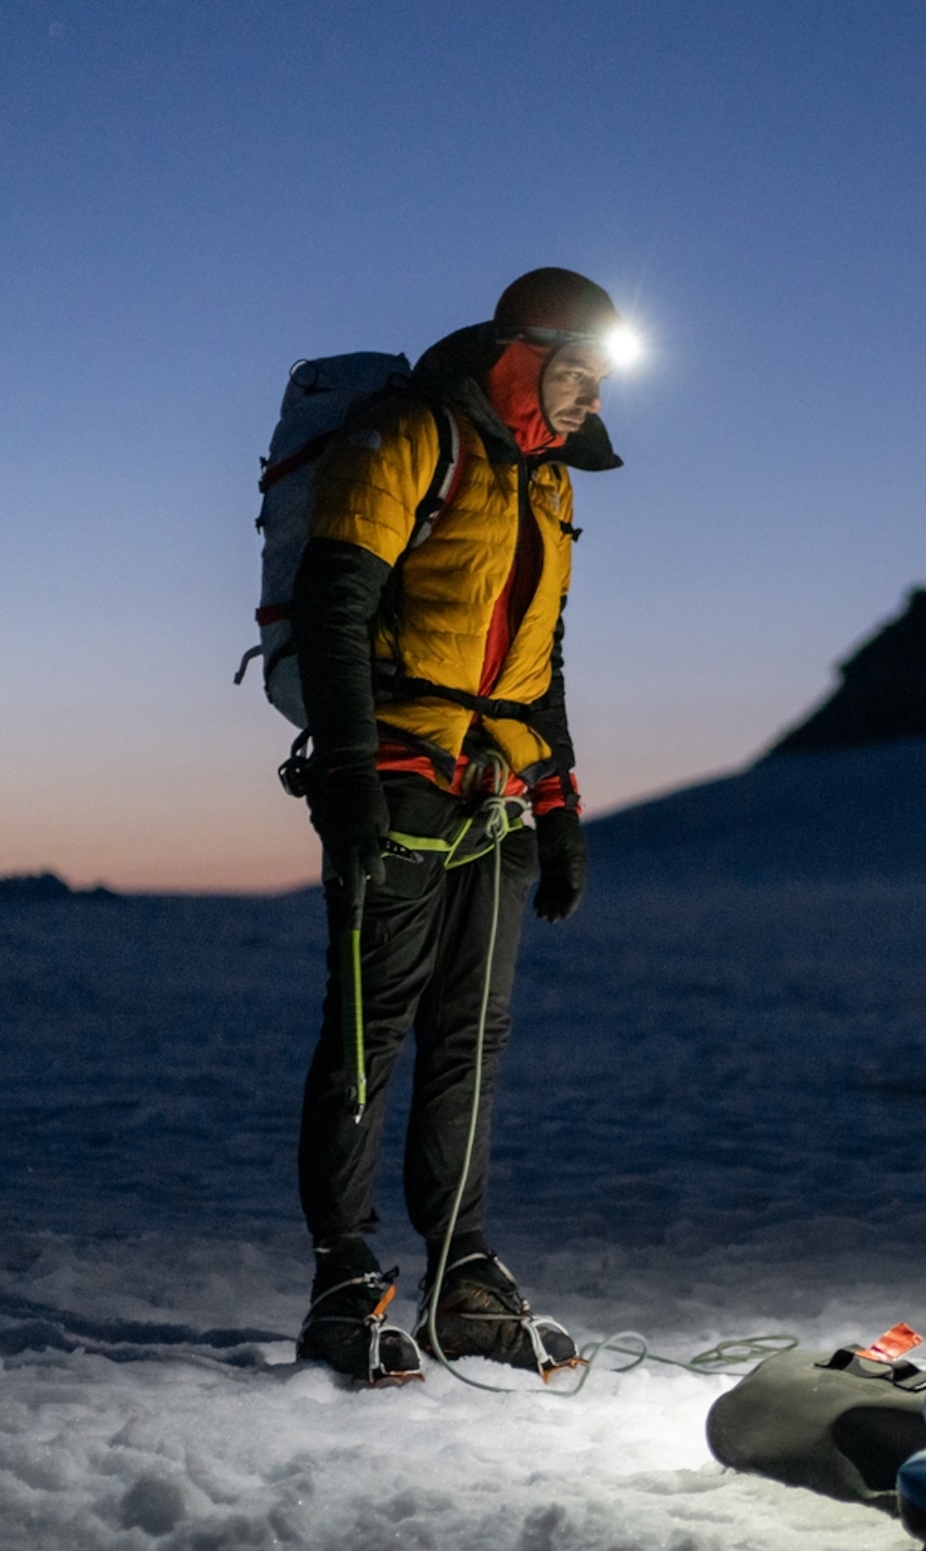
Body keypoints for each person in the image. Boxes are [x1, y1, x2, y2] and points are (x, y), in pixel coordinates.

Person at [287, 268, 628, 1378]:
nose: (588, 401)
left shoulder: (547, 485)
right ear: (521, 354)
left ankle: (459, 1277)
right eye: (576, 374)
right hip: (398, 776)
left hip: (502, 793)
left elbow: (542, 661)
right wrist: (346, 775)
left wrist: (562, 804)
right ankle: (344, 1278)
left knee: (471, 1037)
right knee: (369, 1026)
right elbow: (332, 605)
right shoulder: (409, 440)